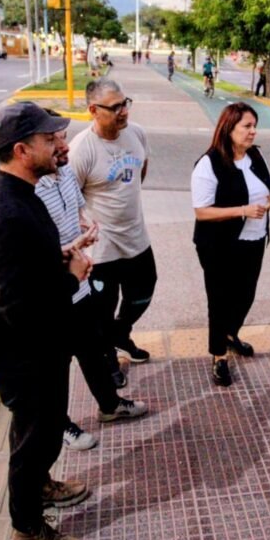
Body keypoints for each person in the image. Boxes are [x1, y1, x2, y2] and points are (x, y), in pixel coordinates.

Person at [0, 102, 91, 540]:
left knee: (41, 437)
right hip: (24, 355)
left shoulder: (21, 192)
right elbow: (17, 306)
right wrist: (71, 278)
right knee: (32, 443)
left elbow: (24, 270)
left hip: (39, 347)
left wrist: (59, 256)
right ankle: (27, 532)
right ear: (22, 150)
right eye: (49, 139)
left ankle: (40, 486)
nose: (60, 145)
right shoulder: (7, 211)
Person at [34, 122, 149, 451]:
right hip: (54, 289)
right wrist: (69, 250)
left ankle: (110, 405)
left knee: (93, 348)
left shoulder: (64, 173)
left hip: (79, 281)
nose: (64, 145)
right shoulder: (30, 189)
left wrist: (84, 223)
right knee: (55, 366)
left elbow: (76, 206)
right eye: (52, 140)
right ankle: (59, 425)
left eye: (62, 137)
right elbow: (32, 249)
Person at [191, 102, 270, 386]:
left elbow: (269, 194)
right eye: (247, 126)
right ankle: (219, 355)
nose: (253, 132)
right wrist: (242, 210)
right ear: (229, 128)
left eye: (255, 126)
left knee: (246, 295)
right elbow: (201, 211)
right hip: (219, 245)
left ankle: (230, 334)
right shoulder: (209, 163)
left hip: (254, 240)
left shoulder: (255, 156)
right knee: (220, 300)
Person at [70, 79, 155, 369]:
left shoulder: (137, 133)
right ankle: (109, 362)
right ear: (94, 110)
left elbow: (141, 170)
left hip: (136, 237)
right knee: (102, 309)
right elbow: (71, 198)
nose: (124, 111)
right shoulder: (82, 149)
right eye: (115, 107)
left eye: (125, 103)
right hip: (101, 248)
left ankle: (121, 334)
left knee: (143, 292)